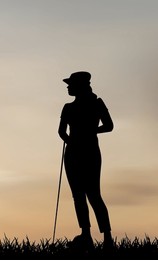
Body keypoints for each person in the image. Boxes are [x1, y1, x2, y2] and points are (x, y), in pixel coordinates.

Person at [58, 71, 114, 251]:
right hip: (81, 151)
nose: (68, 87)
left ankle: (102, 237)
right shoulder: (72, 106)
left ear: (79, 86)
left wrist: (77, 137)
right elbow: (108, 126)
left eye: (70, 84)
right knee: (82, 195)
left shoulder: (83, 105)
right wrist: (88, 133)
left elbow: (62, 132)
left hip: (81, 151)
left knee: (90, 194)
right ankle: (91, 236)